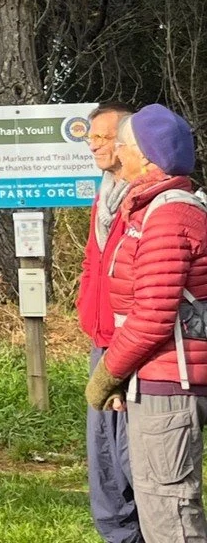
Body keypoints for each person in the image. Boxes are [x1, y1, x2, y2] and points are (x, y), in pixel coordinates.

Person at [87, 105, 207, 543]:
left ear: (148, 157)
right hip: (153, 374)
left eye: (124, 144)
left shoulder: (169, 214)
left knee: (169, 511)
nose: (116, 151)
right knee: (161, 504)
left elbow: (153, 316)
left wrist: (107, 374)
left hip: (168, 382)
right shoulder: (149, 208)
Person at [78, 102, 143, 543]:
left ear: (126, 143)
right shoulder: (105, 194)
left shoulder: (146, 200)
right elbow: (92, 263)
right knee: (103, 460)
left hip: (135, 350)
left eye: (101, 138)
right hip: (101, 343)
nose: (93, 146)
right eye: (91, 139)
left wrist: (123, 356)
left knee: (134, 459)